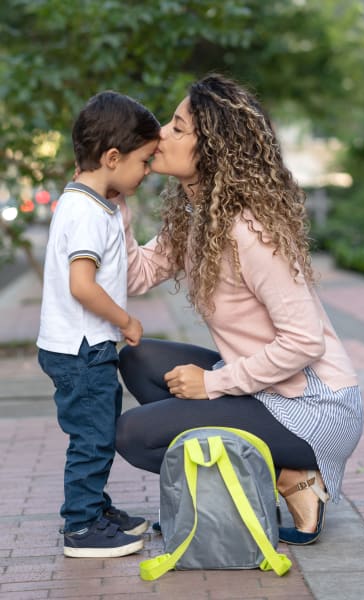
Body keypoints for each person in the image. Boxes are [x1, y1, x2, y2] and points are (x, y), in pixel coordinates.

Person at [115, 74, 364, 545]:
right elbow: (136, 275)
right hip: (265, 388)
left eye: (178, 127)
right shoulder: (197, 217)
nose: (160, 134)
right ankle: (281, 476)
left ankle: (282, 475)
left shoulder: (249, 231)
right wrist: (115, 202)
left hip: (313, 409)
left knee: (133, 435)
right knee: (137, 358)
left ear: (210, 149)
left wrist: (212, 384)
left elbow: (305, 341)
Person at [37, 91, 160, 558]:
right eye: (144, 161)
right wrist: (126, 319)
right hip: (82, 348)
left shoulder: (93, 201)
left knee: (96, 431)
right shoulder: (86, 212)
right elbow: (82, 286)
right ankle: (82, 527)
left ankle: (94, 506)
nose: (147, 172)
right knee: (92, 437)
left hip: (80, 345)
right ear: (112, 157)